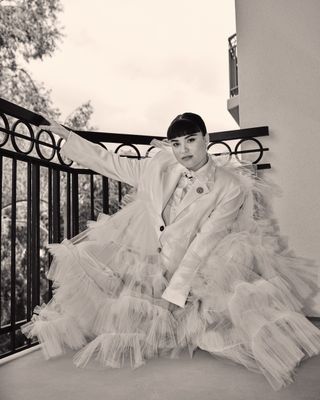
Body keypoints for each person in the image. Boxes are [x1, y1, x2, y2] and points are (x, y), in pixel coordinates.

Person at [22, 112, 320, 391]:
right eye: (176, 143)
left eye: (191, 140)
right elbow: (111, 162)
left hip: (195, 261)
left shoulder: (229, 187)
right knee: (87, 254)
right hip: (152, 253)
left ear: (207, 140)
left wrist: (174, 292)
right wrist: (67, 137)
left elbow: (204, 241)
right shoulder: (160, 166)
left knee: (212, 332)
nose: (183, 150)